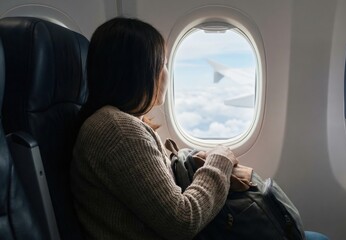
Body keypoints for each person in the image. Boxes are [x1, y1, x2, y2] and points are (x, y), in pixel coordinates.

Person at [70, 17, 238, 240]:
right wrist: (220, 160)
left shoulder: (117, 123)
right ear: (138, 72)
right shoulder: (117, 130)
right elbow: (183, 221)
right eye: (163, 64)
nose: (167, 74)